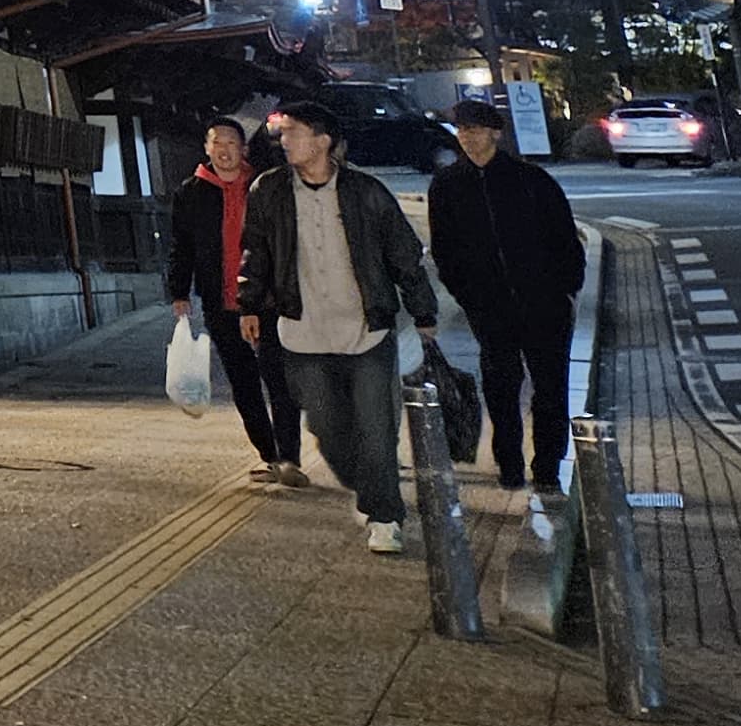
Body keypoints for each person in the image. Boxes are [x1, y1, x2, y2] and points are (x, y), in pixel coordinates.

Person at [237, 95, 441, 554]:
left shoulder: (365, 193)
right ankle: (369, 490)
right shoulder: (268, 190)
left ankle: (385, 515)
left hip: (365, 330)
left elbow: (403, 254)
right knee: (329, 431)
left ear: (322, 140)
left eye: (292, 131)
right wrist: (248, 303)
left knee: (376, 427)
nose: (283, 140)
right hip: (302, 332)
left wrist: (423, 312)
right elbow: (256, 252)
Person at [427, 94, 585, 506]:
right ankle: (509, 464)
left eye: (476, 130)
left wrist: (566, 287)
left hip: (544, 302)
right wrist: (467, 296)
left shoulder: (529, 179)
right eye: (462, 131)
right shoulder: (447, 185)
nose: (468, 139)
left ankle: (548, 467)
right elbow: (445, 249)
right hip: (489, 305)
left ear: (495, 132)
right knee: (500, 384)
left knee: (550, 386)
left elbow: (564, 237)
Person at [165, 117, 305, 487]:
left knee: (279, 378)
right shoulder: (191, 192)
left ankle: (290, 457)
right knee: (243, 382)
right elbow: (182, 247)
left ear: (243, 148)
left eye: (232, 142)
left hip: (268, 300)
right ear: (207, 149)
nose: (224, 150)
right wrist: (179, 291)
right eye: (217, 143)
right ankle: (269, 455)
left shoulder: (264, 186)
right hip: (220, 302)